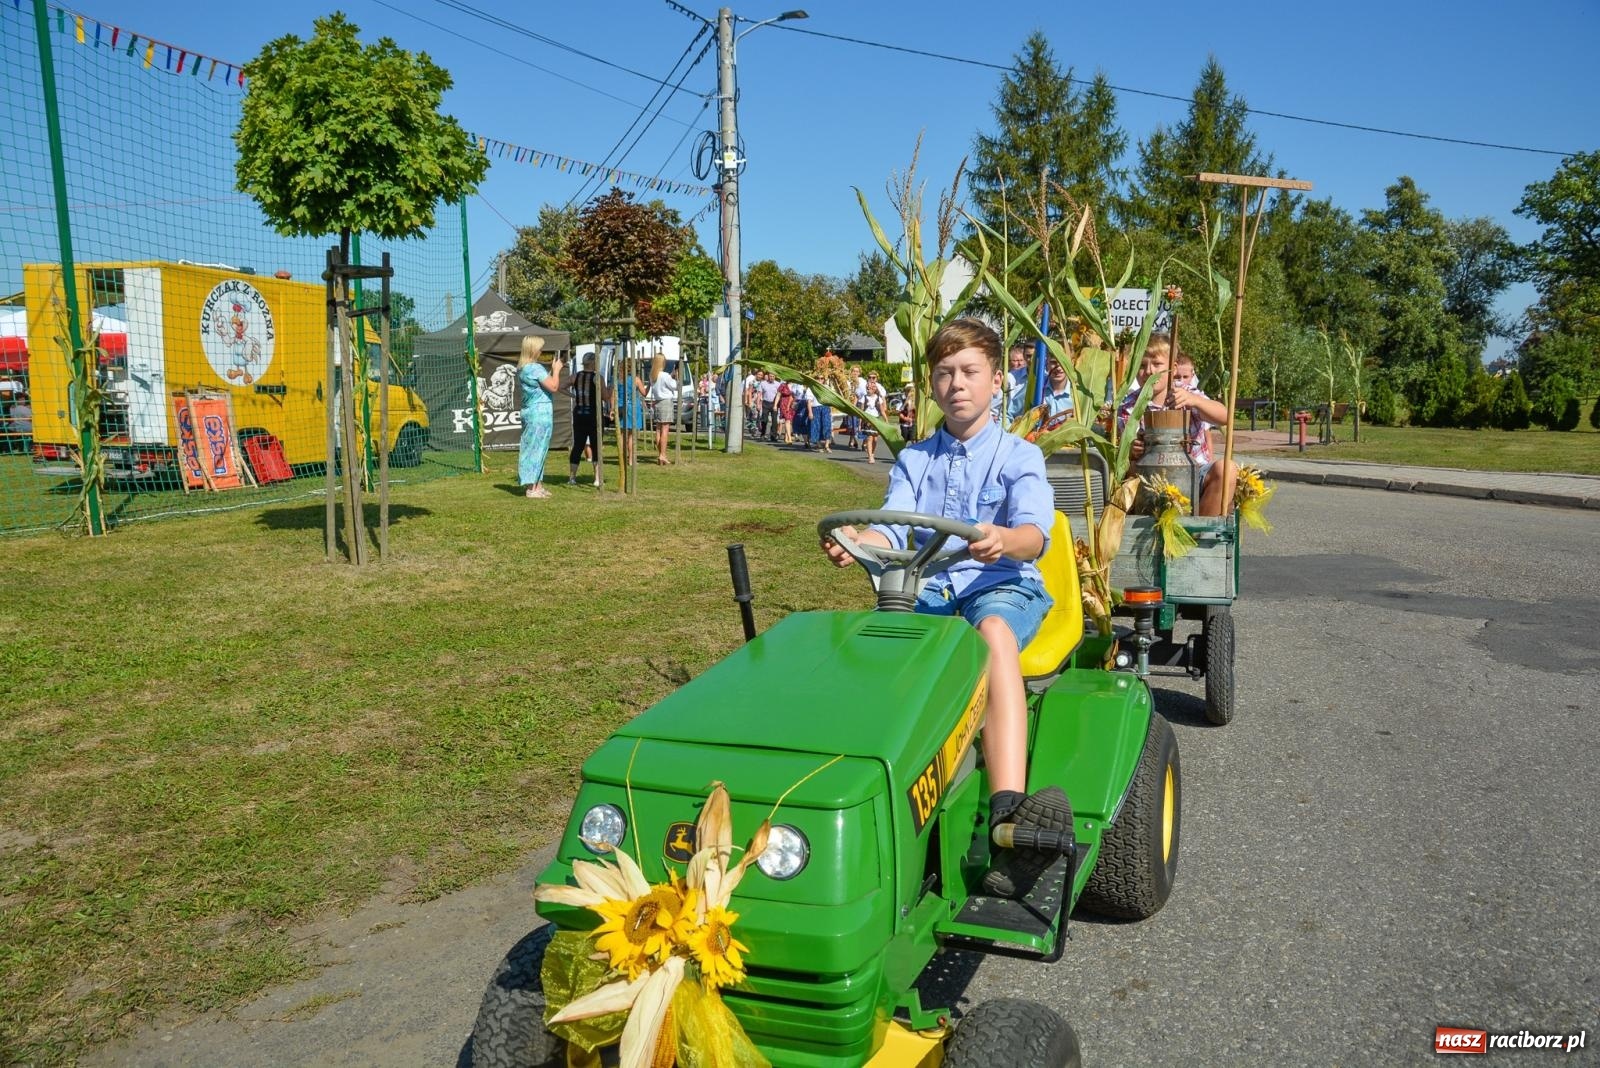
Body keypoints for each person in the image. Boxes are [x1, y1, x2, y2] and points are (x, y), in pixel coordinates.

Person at [820, 317, 1061, 899]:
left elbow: (1036, 535)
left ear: (997, 380)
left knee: (993, 633)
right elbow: (895, 529)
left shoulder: (1018, 456)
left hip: (1000, 586)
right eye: (945, 373)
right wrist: (856, 539)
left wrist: (1003, 538)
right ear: (931, 385)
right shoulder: (914, 460)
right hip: (929, 590)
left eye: (970, 372)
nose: (957, 384)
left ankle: (1009, 813)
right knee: (871, 651)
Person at [1120, 335, 1236, 516]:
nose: (1149, 371)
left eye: (1157, 364)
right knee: (1131, 470)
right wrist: (1130, 451)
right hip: (1150, 479)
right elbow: (1120, 454)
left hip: (1193, 474)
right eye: (1142, 366)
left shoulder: (1186, 394)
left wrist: (1195, 401)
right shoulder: (1129, 406)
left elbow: (1225, 417)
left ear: (1172, 368)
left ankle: (1200, 531)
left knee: (1227, 469)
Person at [516, 337, 563, 499]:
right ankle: (532, 488)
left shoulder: (524, 368)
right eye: (540, 349)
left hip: (533, 413)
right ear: (533, 350)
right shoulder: (534, 368)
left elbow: (544, 385)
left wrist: (550, 372)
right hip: (538, 415)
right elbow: (554, 386)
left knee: (539, 449)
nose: (542, 352)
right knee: (535, 450)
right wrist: (556, 370)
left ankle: (537, 485)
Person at [567, 354, 606, 486]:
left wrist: (573, 395)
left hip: (579, 414)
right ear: (593, 362)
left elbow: (560, 387)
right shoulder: (598, 377)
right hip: (594, 415)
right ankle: (596, 478)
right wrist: (612, 390)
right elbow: (605, 397)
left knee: (578, 445)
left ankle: (572, 477)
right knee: (596, 445)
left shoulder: (576, 376)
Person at [646, 351, 679, 465]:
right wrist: (676, 377)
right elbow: (675, 387)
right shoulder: (664, 375)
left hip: (657, 402)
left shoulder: (652, 375)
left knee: (658, 430)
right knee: (665, 430)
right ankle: (662, 455)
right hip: (665, 402)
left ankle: (660, 454)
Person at [616, 349, 647, 469]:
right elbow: (644, 393)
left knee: (623, 434)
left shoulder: (619, 380)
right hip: (633, 407)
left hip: (622, 406)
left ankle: (622, 459)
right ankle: (631, 460)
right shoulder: (636, 379)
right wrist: (649, 385)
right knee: (631, 436)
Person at [859, 370, 889, 464]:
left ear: (874, 389)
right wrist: (860, 423)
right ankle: (870, 457)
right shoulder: (863, 398)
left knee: (875, 439)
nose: (869, 389)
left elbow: (882, 410)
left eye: (871, 388)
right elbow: (861, 411)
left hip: (876, 420)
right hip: (867, 420)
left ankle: (872, 453)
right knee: (869, 438)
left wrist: (886, 420)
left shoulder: (878, 398)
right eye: (868, 388)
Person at [757, 371, 781, 441]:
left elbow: (779, 395)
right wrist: (758, 404)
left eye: (773, 376)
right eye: (770, 376)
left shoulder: (778, 384)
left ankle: (773, 436)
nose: (771, 378)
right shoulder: (763, 383)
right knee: (764, 419)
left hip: (774, 404)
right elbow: (759, 394)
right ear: (768, 376)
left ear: (775, 377)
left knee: (774, 421)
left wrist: (776, 405)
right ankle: (763, 434)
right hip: (765, 403)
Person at [776, 380, 796, 444]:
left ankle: (786, 437)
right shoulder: (783, 385)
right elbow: (778, 395)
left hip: (792, 405)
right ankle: (789, 438)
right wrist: (775, 405)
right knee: (787, 420)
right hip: (784, 404)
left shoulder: (795, 386)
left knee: (790, 421)